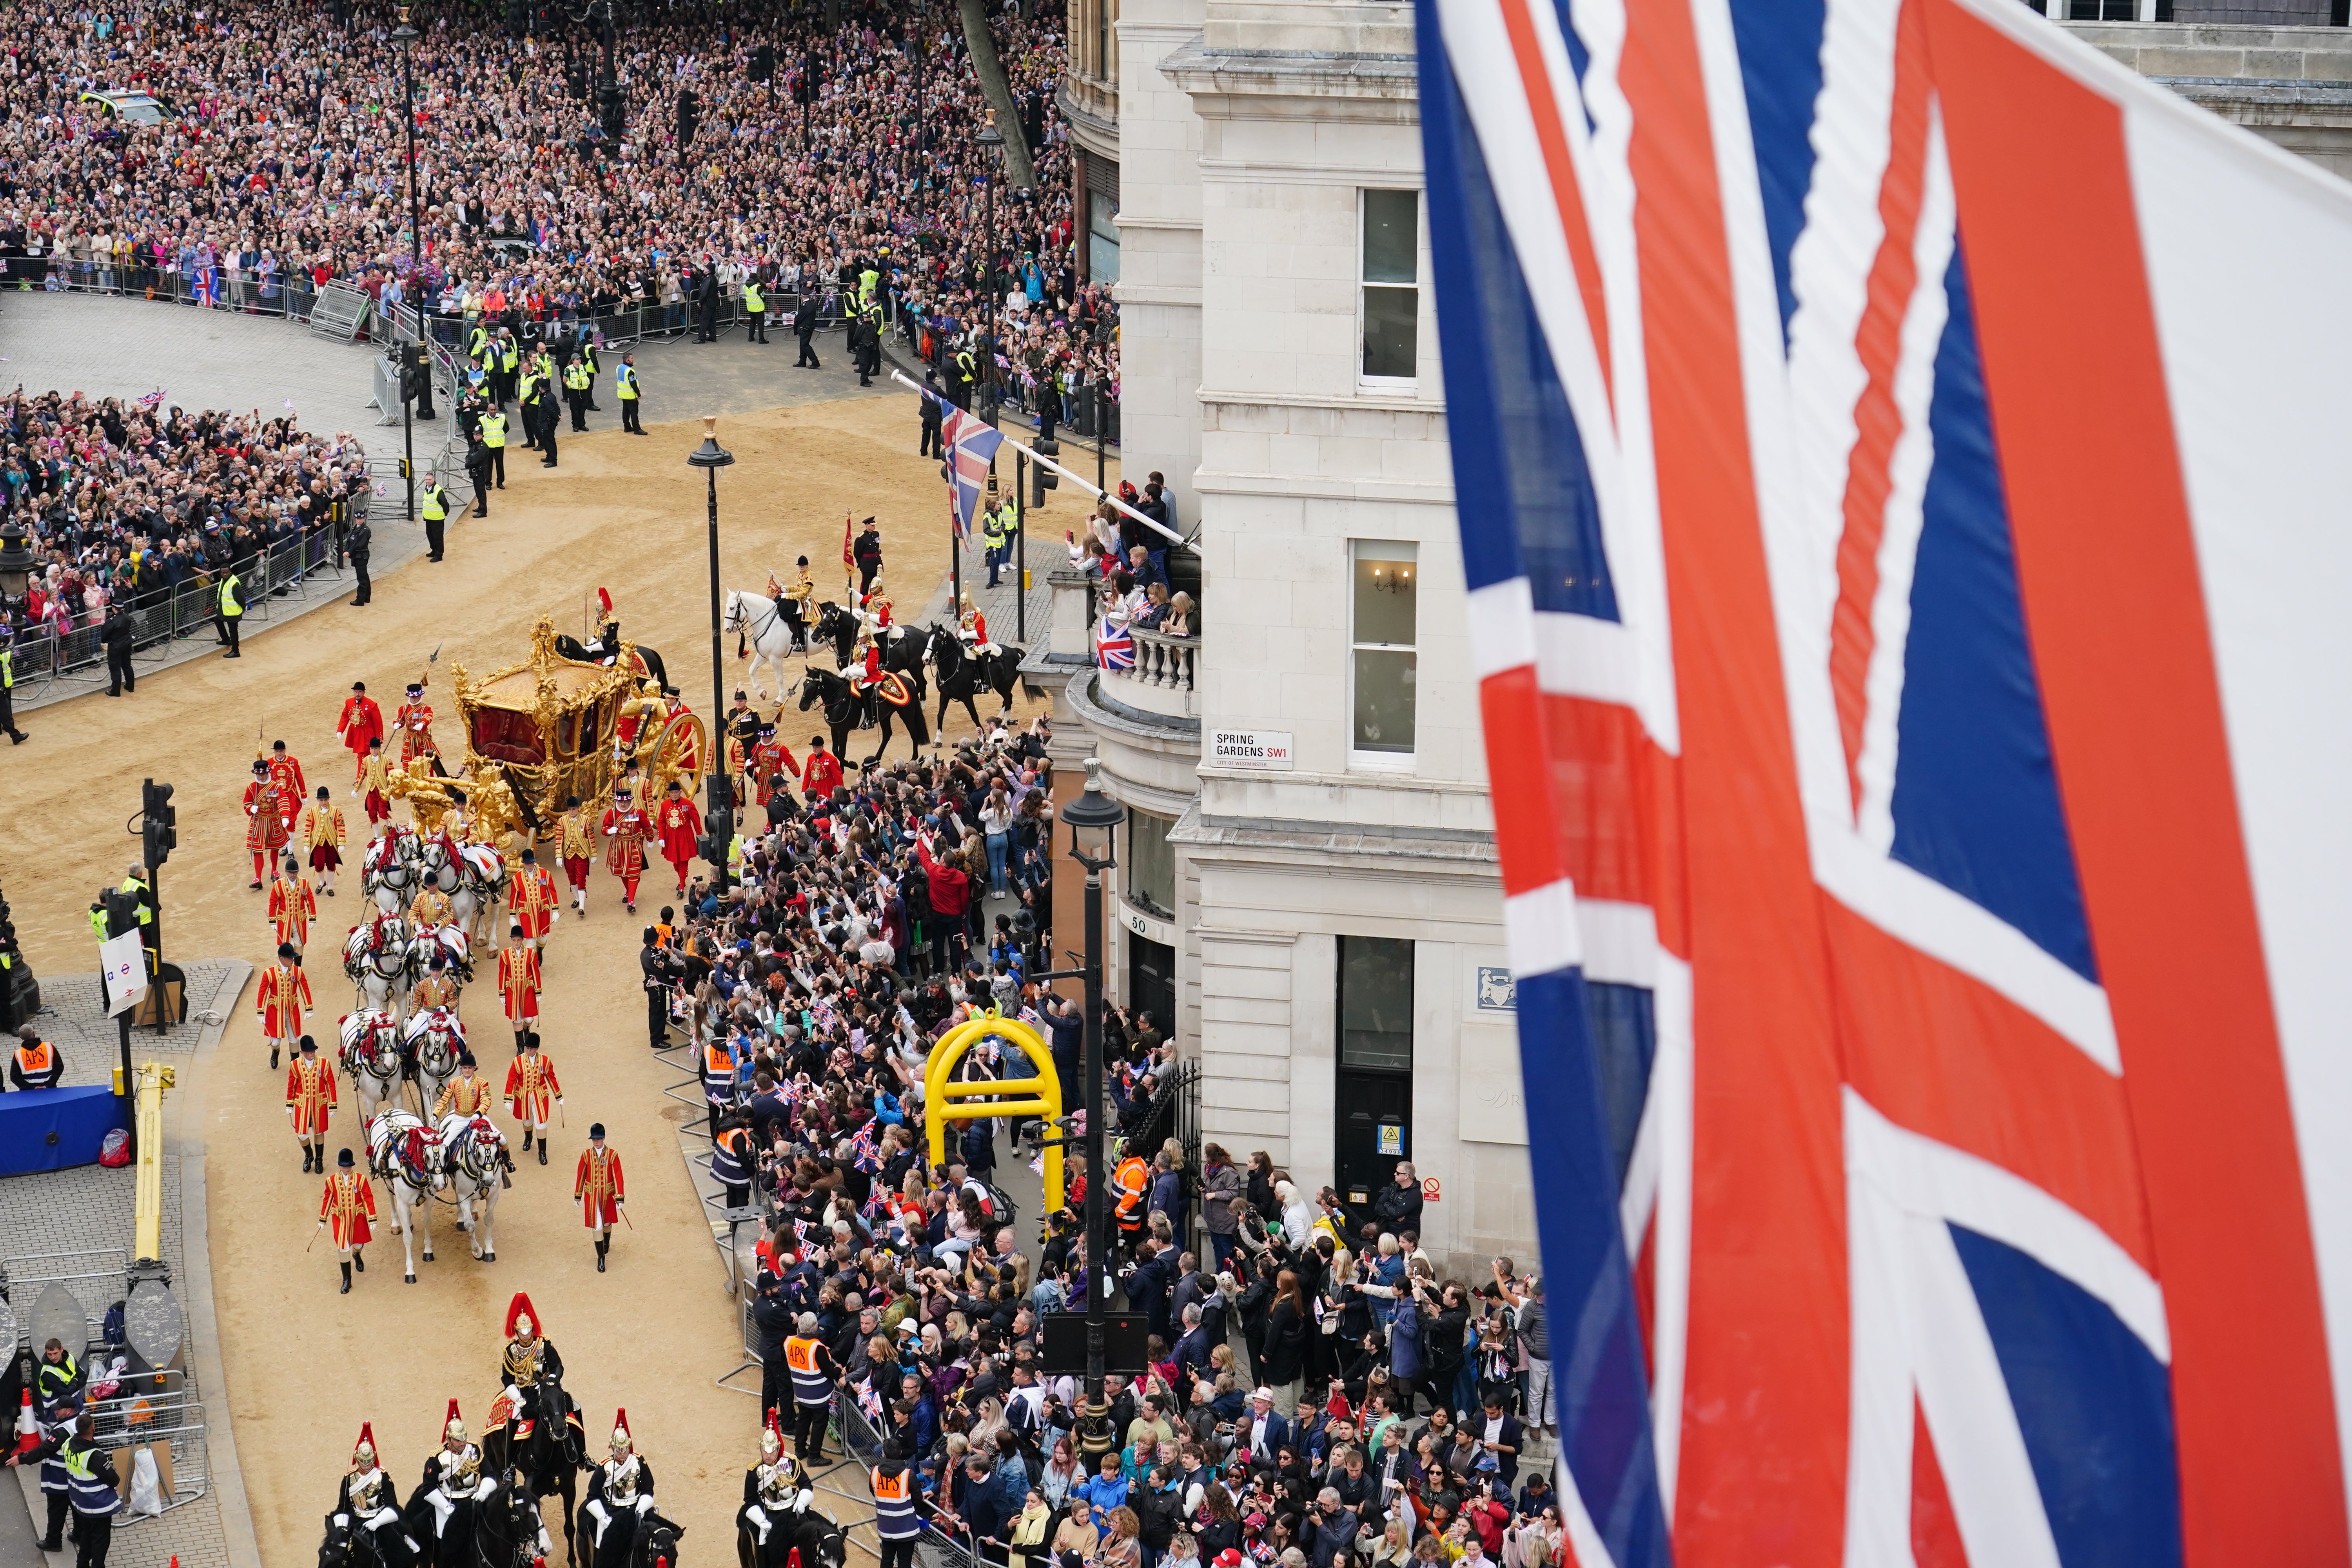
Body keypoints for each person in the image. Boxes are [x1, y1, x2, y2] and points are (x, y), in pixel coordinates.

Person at [7, 1410, 121, 1568]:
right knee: (100, 1541)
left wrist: (21, 1459)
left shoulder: (67, 1445)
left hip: (81, 1503)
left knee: (86, 1536)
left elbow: (46, 1450)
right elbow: (114, 1480)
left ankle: (81, 1563)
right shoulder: (95, 1456)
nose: (55, 1412)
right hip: (98, 1506)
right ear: (93, 1428)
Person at [581, 1412, 656, 1568]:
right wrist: (602, 1517)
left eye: (625, 1449)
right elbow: (593, 1495)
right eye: (619, 1450)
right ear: (613, 1447)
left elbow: (648, 1489)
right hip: (612, 1510)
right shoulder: (604, 1467)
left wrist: (642, 1508)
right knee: (601, 1540)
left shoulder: (639, 1462)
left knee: (658, 1535)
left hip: (636, 1508)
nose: (622, 1453)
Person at [739, 1417, 809, 1568]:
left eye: (771, 1451)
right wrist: (761, 1521)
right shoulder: (754, 1471)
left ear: (778, 1449)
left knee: (819, 1532)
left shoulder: (792, 1463)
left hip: (794, 1509)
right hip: (770, 1512)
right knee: (761, 1539)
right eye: (765, 1451)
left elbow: (806, 1485)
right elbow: (750, 1500)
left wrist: (802, 1503)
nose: (768, 1455)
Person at [782, 1310, 843, 1464]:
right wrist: (839, 1370)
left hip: (800, 1391)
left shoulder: (790, 1342)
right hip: (818, 1394)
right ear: (815, 1328)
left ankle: (800, 1450)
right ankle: (814, 1456)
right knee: (819, 1424)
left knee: (803, 1419)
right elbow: (830, 1372)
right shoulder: (818, 1347)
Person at [318, 1147, 378, 1294]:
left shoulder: (361, 1179)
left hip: (357, 1218)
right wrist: (323, 1219)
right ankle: (347, 1280)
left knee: (358, 1244)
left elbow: (367, 1198)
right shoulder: (331, 1181)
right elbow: (328, 1200)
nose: (347, 1169)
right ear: (340, 1166)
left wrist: (372, 1218)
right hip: (341, 1219)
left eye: (349, 1166)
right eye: (345, 1166)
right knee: (343, 1248)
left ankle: (357, 1254)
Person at [505, 1033, 564, 1165]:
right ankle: (529, 1138)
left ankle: (542, 1152)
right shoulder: (518, 1061)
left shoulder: (545, 1061)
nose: (528, 1050)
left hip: (540, 1094)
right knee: (527, 1121)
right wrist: (508, 1099)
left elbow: (551, 1078)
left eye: (531, 1048)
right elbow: (512, 1080)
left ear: (537, 1049)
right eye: (527, 1048)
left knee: (541, 1123)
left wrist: (558, 1096)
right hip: (524, 1095)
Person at [576, 1122, 626, 1271]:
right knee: (597, 1225)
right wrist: (578, 1195)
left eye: (598, 1139)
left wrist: (620, 1196)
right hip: (592, 1197)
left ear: (603, 1138)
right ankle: (601, 1258)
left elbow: (618, 1176)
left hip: (608, 1195)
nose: (596, 1142)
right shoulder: (586, 1155)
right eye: (594, 1140)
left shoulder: (612, 1155)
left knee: (606, 1223)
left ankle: (607, 1243)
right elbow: (581, 1175)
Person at [286, 1034, 338, 1172]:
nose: (312, 1053)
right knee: (302, 1134)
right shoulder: (295, 1065)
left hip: (319, 1103)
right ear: (302, 1052)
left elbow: (330, 1084)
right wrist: (290, 1103)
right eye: (309, 1052)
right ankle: (309, 1156)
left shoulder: (324, 1063)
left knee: (318, 1132)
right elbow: (292, 1084)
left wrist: (333, 1105)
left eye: (313, 1051)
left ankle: (319, 1160)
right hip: (302, 1104)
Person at [257, 942, 311, 1071]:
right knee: (276, 1041)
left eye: (293, 958)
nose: (293, 960)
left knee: (294, 1038)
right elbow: (263, 992)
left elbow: (304, 988)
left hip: (292, 1011)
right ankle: (275, 1054)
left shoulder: (297, 971)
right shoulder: (269, 973)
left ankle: (295, 1064)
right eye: (290, 958)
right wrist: (261, 1011)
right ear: (281, 958)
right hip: (275, 1012)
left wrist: (309, 1007)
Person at [243, 757, 293, 889]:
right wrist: (250, 809)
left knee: (275, 847)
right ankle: (258, 878)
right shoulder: (252, 787)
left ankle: (274, 871)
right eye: (259, 774)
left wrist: (285, 816)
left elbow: (283, 801)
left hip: (273, 819)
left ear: (268, 773)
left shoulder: (276, 787)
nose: (261, 777)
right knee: (257, 850)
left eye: (263, 774)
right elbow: (247, 803)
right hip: (259, 821)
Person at [602, 784, 650, 913]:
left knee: (633, 873)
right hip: (618, 846)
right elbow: (603, 829)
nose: (623, 805)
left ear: (630, 801)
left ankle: (631, 902)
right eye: (621, 802)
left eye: (626, 802)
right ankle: (629, 891)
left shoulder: (638, 812)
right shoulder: (612, 813)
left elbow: (647, 826)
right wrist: (609, 831)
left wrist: (650, 840)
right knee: (622, 872)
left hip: (633, 845)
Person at [654, 779, 704, 899]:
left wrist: (700, 837)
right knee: (676, 863)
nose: (674, 795)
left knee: (683, 861)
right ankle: (682, 879)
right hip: (671, 837)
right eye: (672, 793)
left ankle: (682, 885)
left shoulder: (689, 804)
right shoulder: (664, 805)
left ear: (680, 792)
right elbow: (661, 822)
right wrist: (661, 837)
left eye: (676, 792)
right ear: (669, 794)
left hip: (684, 836)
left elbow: (696, 822)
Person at [498, 926, 543, 1053]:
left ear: (523, 939)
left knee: (528, 1019)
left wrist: (538, 991)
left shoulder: (531, 953)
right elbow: (502, 974)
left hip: (527, 989)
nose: (516, 943)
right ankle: (520, 1046)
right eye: (514, 940)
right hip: (512, 990)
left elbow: (536, 973)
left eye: (518, 940)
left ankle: (526, 1029)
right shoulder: (505, 954)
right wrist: (502, 993)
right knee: (517, 1018)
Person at [508, 848, 559, 956]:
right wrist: (512, 915)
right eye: (527, 864)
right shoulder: (517, 878)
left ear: (534, 862)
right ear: (523, 864)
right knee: (530, 941)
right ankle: (532, 962)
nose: (529, 866)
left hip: (542, 910)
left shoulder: (545, 874)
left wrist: (555, 910)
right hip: (526, 912)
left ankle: (539, 952)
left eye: (531, 863)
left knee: (542, 938)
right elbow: (514, 897)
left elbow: (552, 892)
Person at [269, 855, 318, 957]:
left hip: (299, 919)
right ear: (286, 872)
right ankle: (287, 967)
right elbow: (273, 903)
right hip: (284, 919)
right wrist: (272, 920)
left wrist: (312, 918)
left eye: (295, 872)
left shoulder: (304, 883)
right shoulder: (278, 885)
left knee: (299, 942)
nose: (293, 875)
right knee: (285, 944)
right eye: (291, 872)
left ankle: (297, 968)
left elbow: (310, 901)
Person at [338, 682, 387, 779]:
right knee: (362, 756)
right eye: (356, 692)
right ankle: (361, 777)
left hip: (368, 734)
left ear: (364, 693)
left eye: (360, 692)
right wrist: (340, 730)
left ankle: (377, 775)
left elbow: (378, 722)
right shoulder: (349, 702)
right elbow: (345, 716)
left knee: (373, 755)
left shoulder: (371, 705)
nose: (358, 694)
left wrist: (379, 738)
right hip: (357, 734)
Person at [10, 1024, 62, 1090]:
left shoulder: (19, 1054)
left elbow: (14, 1077)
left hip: (29, 1093)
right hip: (50, 1090)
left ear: (21, 1038)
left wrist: (31, 1088)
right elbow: (59, 1067)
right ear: (34, 1033)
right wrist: (49, 1084)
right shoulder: (49, 1047)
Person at [99, 601, 133, 696]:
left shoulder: (112, 621)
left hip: (115, 646)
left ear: (114, 608)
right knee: (127, 665)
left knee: (115, 669)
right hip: (127, 643)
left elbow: (104, 636)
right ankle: (130, 686)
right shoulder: (127, 617)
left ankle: (116, 691)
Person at [419, 469, 453, 562]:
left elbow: (445, 505)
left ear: (434, 480)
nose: (428, 481)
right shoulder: (428, 489)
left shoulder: (438, 491)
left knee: (438, 538)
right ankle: (434, 550)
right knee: (430, 535)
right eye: (426, 480)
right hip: (429, 519)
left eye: (430, 480)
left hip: (437, 520)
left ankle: (439, 555)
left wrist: (445, 514)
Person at [0, 624, 25, 744]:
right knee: (5, 714)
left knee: (5, 713)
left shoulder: (5, 652)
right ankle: (15, 736)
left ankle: (15, 736)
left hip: (5, 683)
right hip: (2, 686)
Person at [216, 557, 245, 657]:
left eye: (226, 573)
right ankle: (226, 640)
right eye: (223, 573)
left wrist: (243, 608)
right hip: (224, 610)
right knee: (217, 621)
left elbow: (240, 598)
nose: (224, 575)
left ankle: (236, 651)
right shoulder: (223, 580)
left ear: (230, 572)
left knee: (233, 631)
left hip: (233, 612)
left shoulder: (234, 583)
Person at [347, 510, 374, 605]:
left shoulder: (365, 530)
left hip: (361, 556)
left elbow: (359, 544)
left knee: (362, 578)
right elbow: (350, 540)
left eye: (361, 519)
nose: (360, 521)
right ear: (355, 519)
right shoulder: (356, 528)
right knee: (364, 577)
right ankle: (366, 597)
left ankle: (360, 600)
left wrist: (349, 552)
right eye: (358, 519)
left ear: (364, 519)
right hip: (357, 556)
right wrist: (347, 550)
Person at [479, 405, 509, 488]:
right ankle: (488, 483)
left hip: (499, 445)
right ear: (488, 410)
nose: (493, 411)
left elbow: (506, 429)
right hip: (488, 446)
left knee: (500, 464)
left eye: (495, 410)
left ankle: (500, 483)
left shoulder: (502, 417)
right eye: (491, 410)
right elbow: (480, 432)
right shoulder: (482, 419)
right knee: (488, 465)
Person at [854, 518, 884, 595]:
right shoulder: (861, 539)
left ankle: (875, 602)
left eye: (874, 525)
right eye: (872, 525)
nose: (874, 527)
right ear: (867, 525)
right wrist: (863, 563)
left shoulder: (876, 534)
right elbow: (857, 553)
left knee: (877, 584)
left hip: (877, 563)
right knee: (865, 586)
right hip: (867, 565)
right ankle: (863, 605)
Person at [920, 371, 945, 457]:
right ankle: (936, 453)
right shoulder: (935, 389)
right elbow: (945, 396)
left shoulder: (923, 385)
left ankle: (923, 451)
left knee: (926, 432)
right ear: (934, 379)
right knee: (936, 433)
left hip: (926, 413)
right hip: (935, 414)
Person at [617, 354, 644, 434]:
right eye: (632, 358)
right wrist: (638, 394)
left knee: (625, 410)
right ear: (627, 361)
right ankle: (637, 429)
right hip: (630, 395)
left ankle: (627, 427)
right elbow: (633, 384)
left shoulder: (619, 367)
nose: (633, 359)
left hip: (623, 394)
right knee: (634, 412)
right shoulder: (630, 371)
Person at [795, 296, 822, 368]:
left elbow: (800, 317)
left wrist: (795, 321)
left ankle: (815, 362)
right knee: (802, 345)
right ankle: (802, 362)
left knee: (805, 345)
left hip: (805, 328)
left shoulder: (805, 306)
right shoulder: (811, 304)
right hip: (809, 327)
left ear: (801, 296)